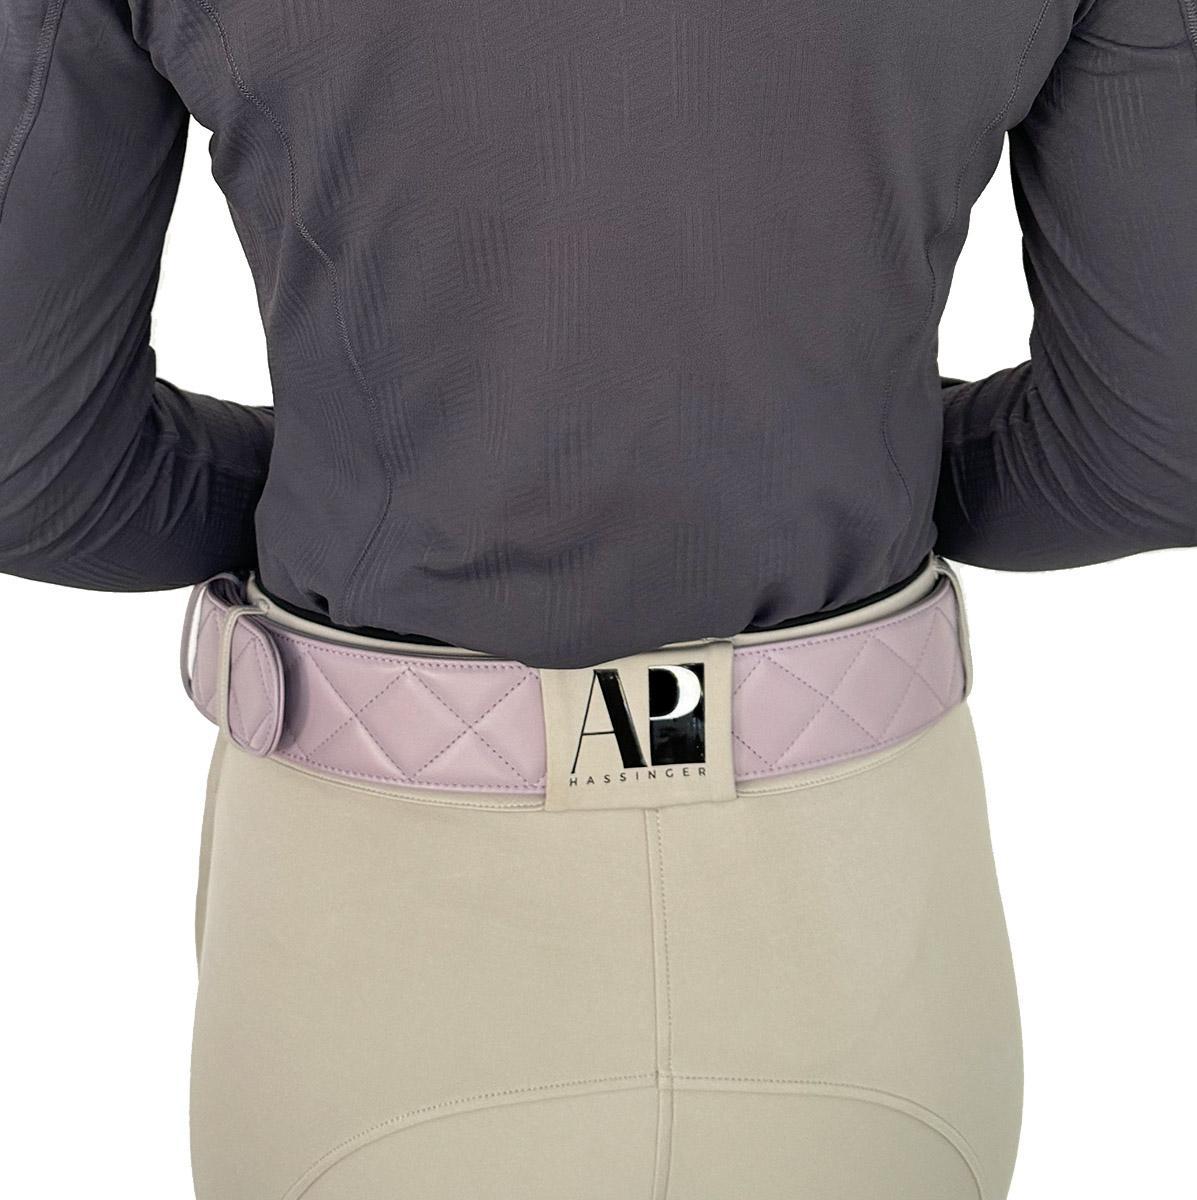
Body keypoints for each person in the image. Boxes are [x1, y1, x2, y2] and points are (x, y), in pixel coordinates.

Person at [1, 0, 1193, 1196]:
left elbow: (36, 475)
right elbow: (1155, 447)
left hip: (373, 945)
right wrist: (819, 463)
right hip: (864, 927)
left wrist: (389, 483)